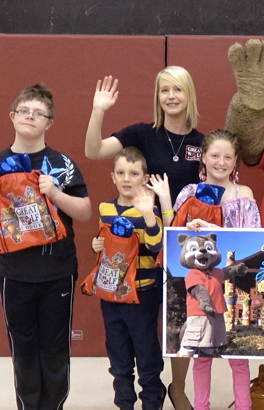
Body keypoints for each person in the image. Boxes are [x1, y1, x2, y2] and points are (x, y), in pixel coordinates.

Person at [0, 83, 91, 409]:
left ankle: (53, 406)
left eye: (39, 113)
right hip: (14, 275)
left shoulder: (63, 164)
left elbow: (85, 212)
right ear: (13, 117)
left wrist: (56, 193)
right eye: (24, 111)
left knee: (55, 350)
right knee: (24, 350)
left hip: (58, 272)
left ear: (49, 122)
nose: (30, 116)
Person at [85, 66, 203, 410]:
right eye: (164, 90)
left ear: (189, 94)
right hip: (147, 246)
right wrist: (98, 110)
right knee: (140, 331)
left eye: (177, 90)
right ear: (157, 97)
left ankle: (177, 389)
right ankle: (136, 394)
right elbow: (94, 150)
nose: (171, 96)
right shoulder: (142, 133)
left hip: (185, 243)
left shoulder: (200, 142)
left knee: (182, 322)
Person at [159, 129, 260, 410]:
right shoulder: (189, 193)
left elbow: (251, 238)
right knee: (202, 356)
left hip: (232, 287)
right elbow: (174, 238)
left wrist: (218, 231)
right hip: (199, 290)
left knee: (239, 356)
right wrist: (184, 225)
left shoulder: (244, 194)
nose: (221, 162)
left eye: (228, 157)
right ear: (203, 158)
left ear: (236, 161)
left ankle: (244, 406)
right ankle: (201, 406)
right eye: (215, 155)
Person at [91, 147, 165, 410]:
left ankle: (152, 402)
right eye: (120, 172)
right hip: (111, 295)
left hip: (142, 294)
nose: (126, 178)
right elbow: (105, 246)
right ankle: (124, 403)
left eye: (133, 173)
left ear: (144, 179)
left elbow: (157, 247)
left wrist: (147, 215)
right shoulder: (105, 208)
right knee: (118, 357)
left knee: (147, 357)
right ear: (112, 177)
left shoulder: (149, 211)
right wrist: (96, 244)